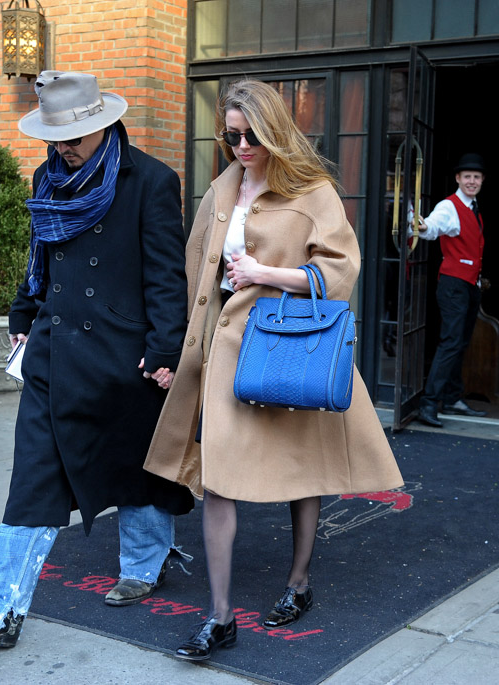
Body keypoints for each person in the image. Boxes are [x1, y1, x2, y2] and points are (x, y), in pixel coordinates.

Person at [143, 79, 404, 661]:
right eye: (231, 135)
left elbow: (339, 273)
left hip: (289, 348)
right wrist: (175, 353)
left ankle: (298, 582)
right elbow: (195, 275)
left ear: (274, 132)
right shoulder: (220, 190)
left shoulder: (313, 192)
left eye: (250, 136)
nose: (240, 146)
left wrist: (265, 273)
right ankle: (219, 617)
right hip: (224, 352)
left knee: (301, 469)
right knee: (216, 479)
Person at [0, 71, 194, 648]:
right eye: (54, 138)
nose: (62, 148)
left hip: (125, 356)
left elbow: (164, 273)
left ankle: (143, 566)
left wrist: (164, 347)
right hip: (56, 356)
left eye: (72, 137)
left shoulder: (151, 181)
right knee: (32, 481)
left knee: (138, 465)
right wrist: (22, 311)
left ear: (104, 126)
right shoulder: (47, 176)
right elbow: (42, 254)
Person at [415, 153, 487, 427]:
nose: (471, 181)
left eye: (476, 177)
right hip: (454, 284)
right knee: (451, 342)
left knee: (460, 343)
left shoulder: (473, 207)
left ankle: (453, 398)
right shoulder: (450, 206)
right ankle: (428, 403)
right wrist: (422, 226)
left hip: (469, 284)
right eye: (467, 176)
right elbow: (433, 227)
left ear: (482, 181)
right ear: (458, 178)